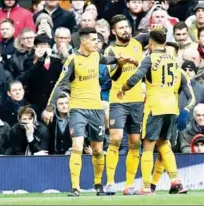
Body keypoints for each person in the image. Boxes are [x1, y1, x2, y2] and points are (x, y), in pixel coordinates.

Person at [43, 27, 135, 197]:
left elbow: (107, 59)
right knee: (77, 146)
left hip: (97, 109)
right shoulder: (72, 60)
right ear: (83, 41)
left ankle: (98, 183)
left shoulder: (96, 56)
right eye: (93, 40)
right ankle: (75, 187)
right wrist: (50, 107)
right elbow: (60, 84)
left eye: (97, 40)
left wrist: (119, 60)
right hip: (77, 108)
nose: (96, 43)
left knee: (98, 150)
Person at [117, 28, 195, 195]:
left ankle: (146, 187)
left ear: (151, 43)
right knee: (164, 145)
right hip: (172, 108)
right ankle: (176, 180)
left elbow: (135, 78)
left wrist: (123, 88)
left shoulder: (150, 58)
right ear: (165, 43)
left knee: (147, 147)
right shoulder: (174, 62)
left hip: (155, 107)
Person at [103, 14, 144, 195]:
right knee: (116, 139)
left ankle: (129, 185)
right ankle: (110, 182)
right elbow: (113, 77)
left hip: (137, 101)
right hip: (118, 101)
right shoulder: (110, 51)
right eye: (121, 28)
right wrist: (120, 65)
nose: (125, 30)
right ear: (114, 31)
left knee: (135, 143)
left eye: (127, 27)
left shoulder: (137, 44)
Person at [19, 34, 63, 116]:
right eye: (40, 45)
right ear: (35, 47)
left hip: (52, 101)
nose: (43, 48)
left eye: (45, 45)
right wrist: (36, 60)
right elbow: (26, 78)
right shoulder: (28, 61)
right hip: (35, 101)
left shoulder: (57, 62)